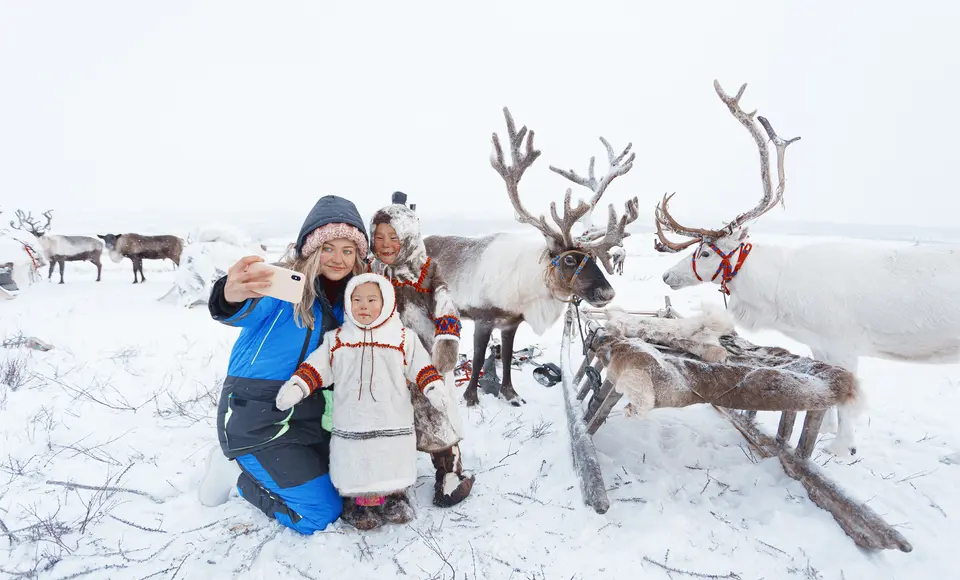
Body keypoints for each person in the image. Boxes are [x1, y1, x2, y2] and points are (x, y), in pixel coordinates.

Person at [199, 194, 369, 535]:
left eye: (347, 250)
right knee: (320, 513)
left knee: (349, 486)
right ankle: (236, 476)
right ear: (310, 249)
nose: (338, 258)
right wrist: (230, 293)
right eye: (328, 248)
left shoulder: (353, 303)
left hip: (310, 418)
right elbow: (237, 309)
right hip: (257, 418)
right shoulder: (283, 289)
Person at [275, 273, 450, 530]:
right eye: (356, 299)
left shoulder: (403, 338)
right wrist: (298, 386)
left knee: (391, 458)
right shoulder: (337, 340)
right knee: (357, 462)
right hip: (353, 420)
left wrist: (433, 388)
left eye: (371, 299)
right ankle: (357, 501)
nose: (363, 305)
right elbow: (317, 367)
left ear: (387, 303)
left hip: (393, 417)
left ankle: (395, 495)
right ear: (348, 303)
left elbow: (421, 368)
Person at [368, 201, 475, 507]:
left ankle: (449, 471)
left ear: (410, 237)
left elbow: (445, 305)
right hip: (387, 361)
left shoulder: (427, 270)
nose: (386, 245)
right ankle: (394, 477)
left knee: (436, 416)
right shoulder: (373, 271)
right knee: (395, 419)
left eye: (394, 237)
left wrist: (446, 344)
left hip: (427, 360)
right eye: (379, 236)